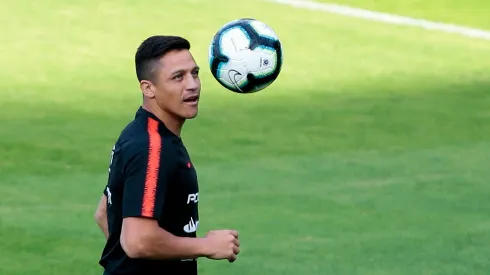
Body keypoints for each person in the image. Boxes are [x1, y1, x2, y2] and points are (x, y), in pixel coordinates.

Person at [94, 35, 240, 275]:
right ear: (148, 88)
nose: (192, 85)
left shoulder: (141, 133)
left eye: (195, 73)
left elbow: (105, 213)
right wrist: (206, 245)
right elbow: (137, 241)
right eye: (178, 77)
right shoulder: (151, 147)